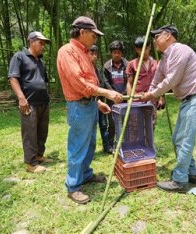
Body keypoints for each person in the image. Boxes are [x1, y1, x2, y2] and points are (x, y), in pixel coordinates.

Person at [57, 16, 123, 204]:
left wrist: (97, 101)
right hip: (78, 105)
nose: (95, 38)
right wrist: (107, 94)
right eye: (93, 34)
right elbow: (79, 83)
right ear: (82, 32)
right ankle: (73, 186)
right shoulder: (67, 52)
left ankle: (85, 174)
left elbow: (90, 82)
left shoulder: (84, 52)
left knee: (90, 144)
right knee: (78, 146)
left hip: (89, 104)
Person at [140, 25, 196, 193]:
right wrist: (147, 99)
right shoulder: (164, 59)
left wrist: (151, 94)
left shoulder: (180, 50)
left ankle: (180, 180)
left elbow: (172, 80)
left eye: (157, 36)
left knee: (184, 139)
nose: (154, 40)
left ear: (168, 36)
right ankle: (192, 173)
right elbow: (157, 79)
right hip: (189, 100)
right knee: (177, 139)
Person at [8, 31, 53, 173]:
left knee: (42, 131)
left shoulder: (41, 61)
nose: (43, 46)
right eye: (41, 42)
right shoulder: (19, 57)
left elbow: (42, 81)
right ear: (31, 41)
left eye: (44, 43)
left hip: (43, 102)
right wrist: (21, 98)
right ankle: (31, 163)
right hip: (29, 103)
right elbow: (13, 78)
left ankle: (39, 156)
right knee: (30, 133)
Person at [125, 36, 163, 128]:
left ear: (149, 47)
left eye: (145, 49)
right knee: (136, 126)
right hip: (137, 99)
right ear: (136, 49)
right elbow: (129, 83)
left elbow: (161, 82)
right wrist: (131, 98)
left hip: (152, 98)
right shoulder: (132, 64)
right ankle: (139, 142)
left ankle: (149, 142)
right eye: (139, 49)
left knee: (151, 124)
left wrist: (161, 97)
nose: (142, 52)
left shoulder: (156, 63)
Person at [103, 40, 129, 153]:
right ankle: (110, 145)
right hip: (112, 99)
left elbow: (130, 80)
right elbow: (105, 82)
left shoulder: (128, 65)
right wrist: (113, 94)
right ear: (111, 53)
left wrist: (123, 94)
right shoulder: (106, 66)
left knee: (126, 121)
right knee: (112, 123)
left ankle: (125, 143)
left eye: (119, 52)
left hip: (125, 98)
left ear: (122, 53)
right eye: (114, 52)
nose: (117, 54)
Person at [88, 45, 113, 154]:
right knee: (89, 127)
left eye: (95, 54)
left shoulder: (98, 70)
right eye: (91, 53)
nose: (94, 56)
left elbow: (103, 84)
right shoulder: (84, 70)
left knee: (103, 125)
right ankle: (88, 150)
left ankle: (107, 147)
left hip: (101, 102)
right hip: (89, 103)